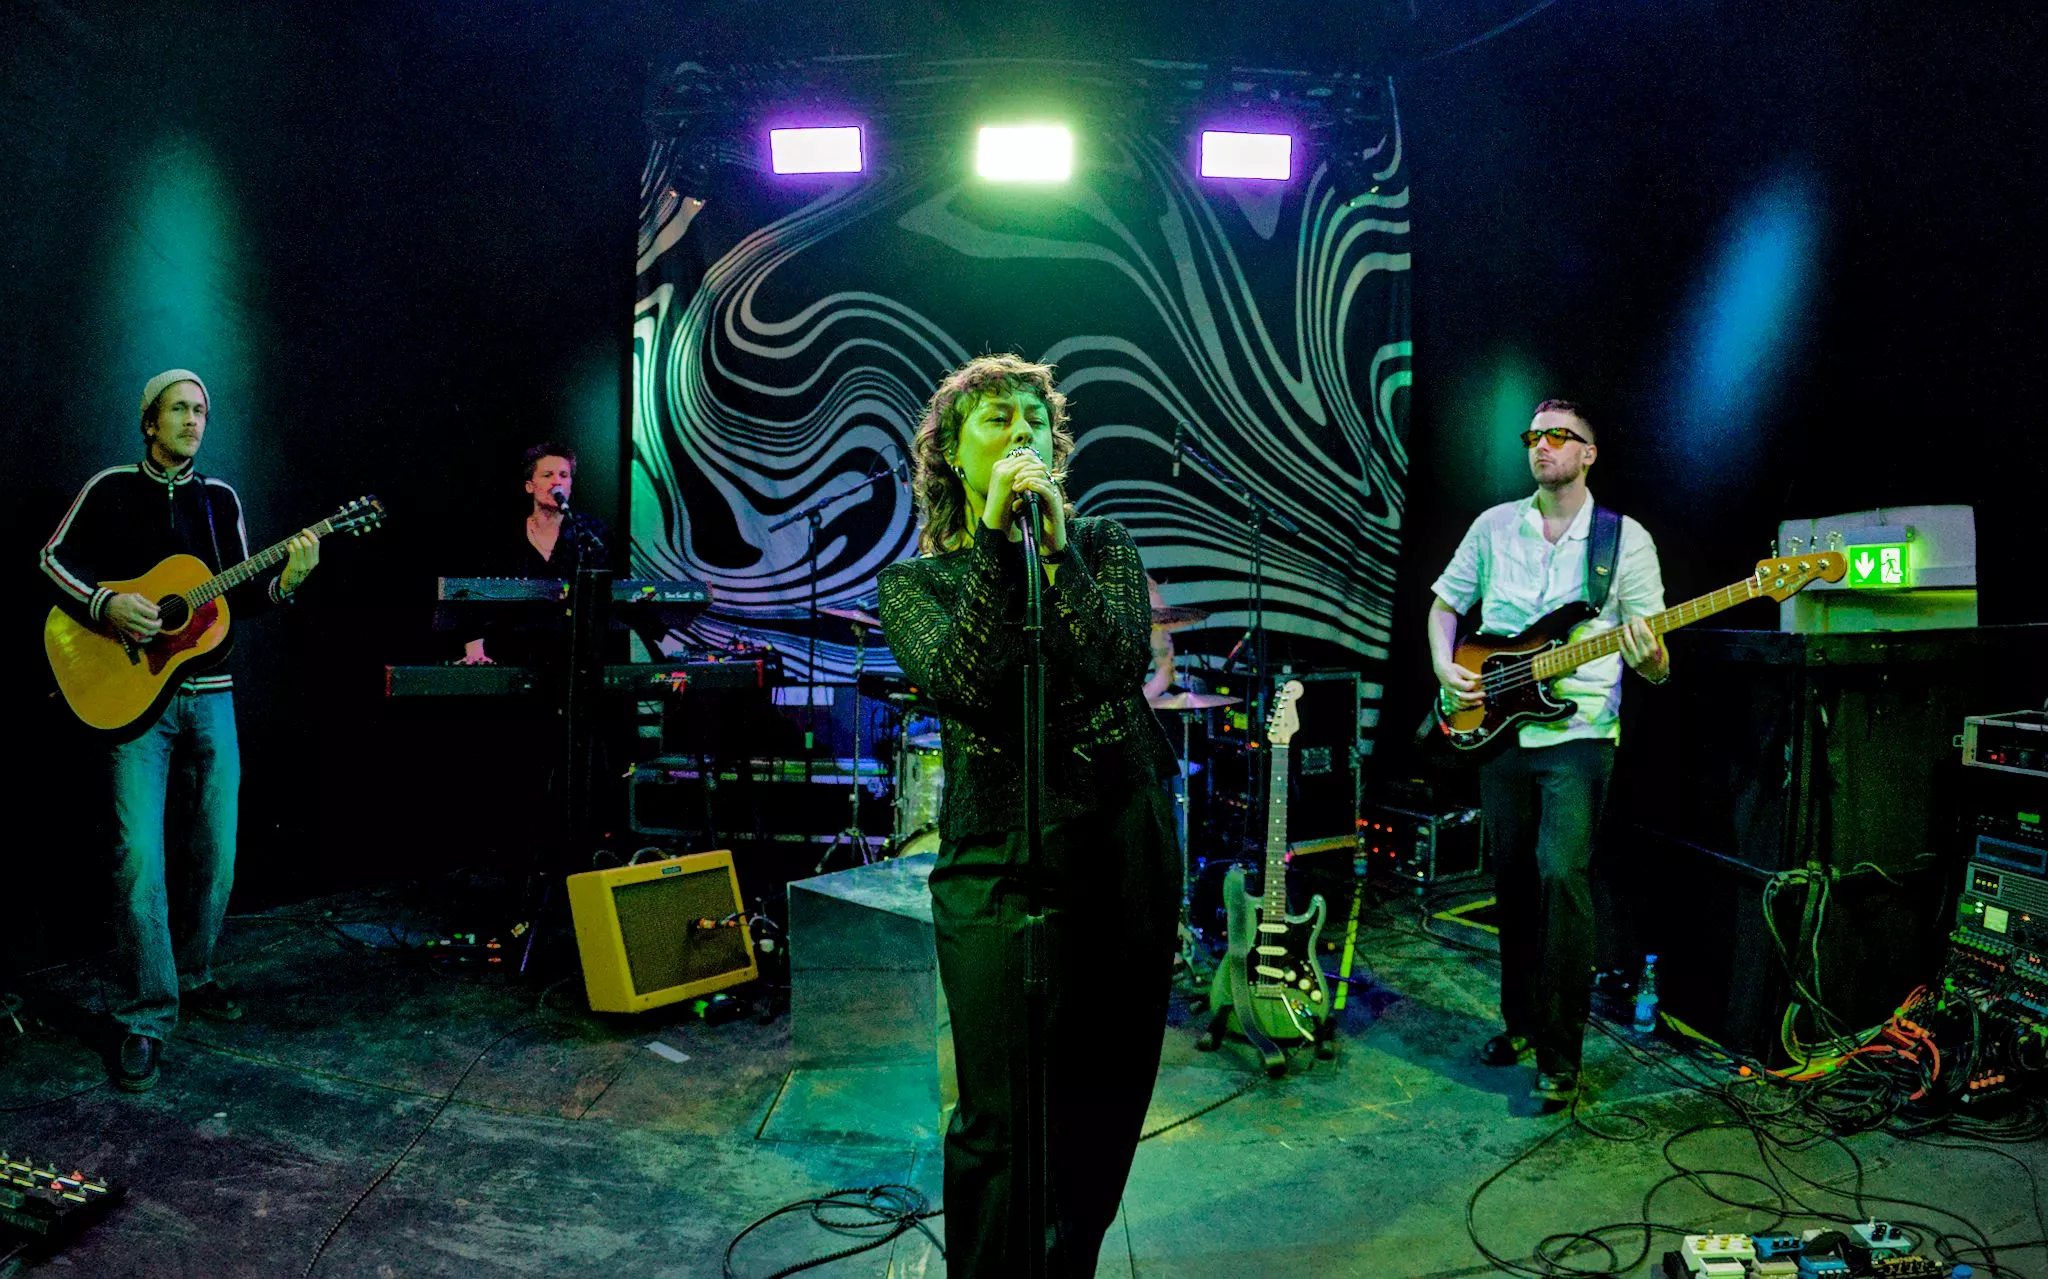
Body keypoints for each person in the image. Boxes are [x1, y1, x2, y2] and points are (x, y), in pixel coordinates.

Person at [878, 354, 1180, 1275]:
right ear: (952, 454)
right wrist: (998, 548)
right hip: (998, 858)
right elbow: (969, 678)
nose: (1020, 435)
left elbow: (1117, 662)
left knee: (1105, 1098)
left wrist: (1054, 553)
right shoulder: (917, 586)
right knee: (1001, 1116)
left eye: (1034, 421)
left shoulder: (1104, 546)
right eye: (996, 420)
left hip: (1123, 842)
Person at [40, 369, 320, 1091]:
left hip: (211, 694)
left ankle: (192, 974)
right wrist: (105, 604)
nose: (194, 420)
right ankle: (145, 1013)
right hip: (135, 702)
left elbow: (239, 596)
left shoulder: (220, 499)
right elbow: (51, 559)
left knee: (216, 848)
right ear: (149, 421)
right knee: (139, 854)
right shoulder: (109, 488)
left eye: (201, 410)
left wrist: (288, 580)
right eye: (179, 409)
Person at [1426, 398, 1669, 1107]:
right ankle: (1522, 1024)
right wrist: (1444, 665)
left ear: (1588, 453)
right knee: (1513, 882)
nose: (1542, 445)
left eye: (1559, 436)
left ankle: (1561, 1054)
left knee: (1562, 876)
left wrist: (1650, 657)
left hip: (1579, 731)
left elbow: (1656, 660)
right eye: (1534, 435)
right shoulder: (1493, 526)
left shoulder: (1624, 540)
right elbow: (1445, 605)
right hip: (1500, 728)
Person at [460, 441, 606, 666]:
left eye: (564, 475)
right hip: (512, 653)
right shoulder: (504, 537)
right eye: (547, 475)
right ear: (530, 486)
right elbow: (475, 597)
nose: (557, 481)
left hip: (573, 657)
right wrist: (475, 649)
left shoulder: (590, 533)